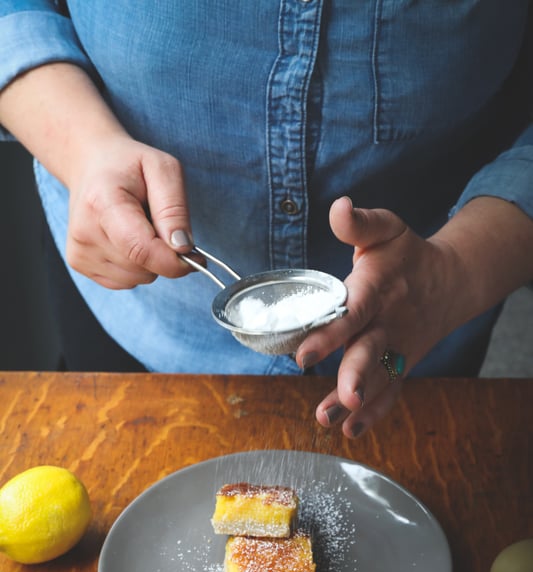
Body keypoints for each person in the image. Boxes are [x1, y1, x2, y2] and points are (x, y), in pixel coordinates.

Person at [1, 2, 532, 439]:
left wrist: (455, 274)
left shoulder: (425, 319)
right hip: (130, 310)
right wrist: (80, 148)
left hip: (415, 340)